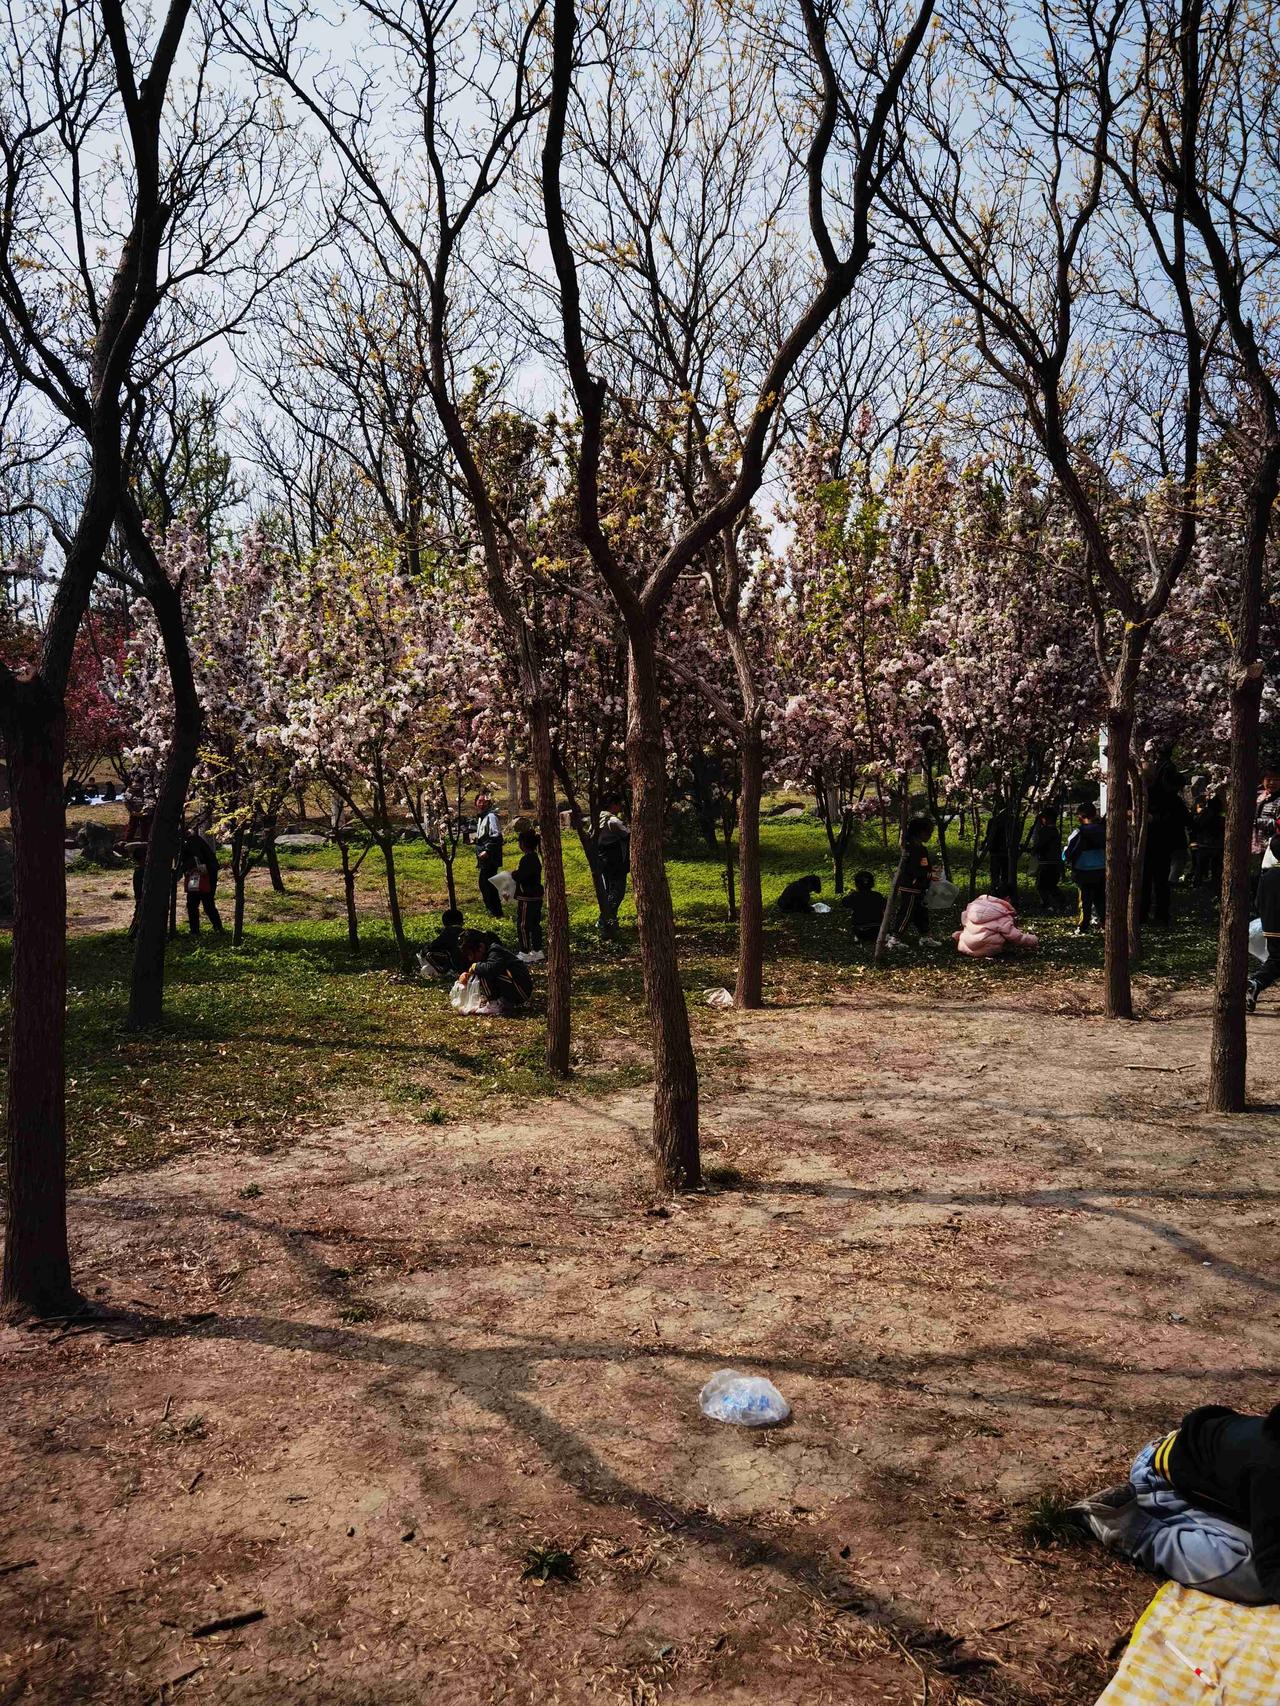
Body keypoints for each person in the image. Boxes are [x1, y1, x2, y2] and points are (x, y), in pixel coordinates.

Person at [1068, 1403, 1280, 1605]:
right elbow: (1271, 1568)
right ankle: (1131, 1529)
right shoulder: (1271, 1468)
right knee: (1252, 1577)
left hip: (1195, 1470)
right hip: (1159, 1481)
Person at [1141, 754, 1188, 925]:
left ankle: (1160, 915)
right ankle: (1144, 913)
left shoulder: (1166, 795)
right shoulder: (1135, 792)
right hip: (1145, 843)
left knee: (1159, 881)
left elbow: (1177, 818)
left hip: (1160, 843)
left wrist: (1153, 818)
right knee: (1145, 881)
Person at [457, 928, 533, 1015]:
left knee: (483, 970)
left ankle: (494, 1005)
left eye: (471, 955)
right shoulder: (488, 954)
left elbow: (491, 969)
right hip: (516, 986)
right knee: (481, 968)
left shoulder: (495, 951)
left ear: (481, 947)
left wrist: (475, 967)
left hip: (520, 989)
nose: (470, 959)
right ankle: (500, 1002)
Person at [1247, 825, 1280, 1014]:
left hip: (1270, 926)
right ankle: (1256, 982)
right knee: (1277, 960)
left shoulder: (1266, 877)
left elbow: (1258, 902)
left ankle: (1256, 983)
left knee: (1276, 958)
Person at [891, 816, 936, 944]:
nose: (930, 836)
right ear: (920, 832)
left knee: (921, 912)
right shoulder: (911, 848)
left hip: (919, 886)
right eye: (928, 832)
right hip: (911, 886)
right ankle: (895, 937)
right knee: (907, 912)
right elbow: (913, 869)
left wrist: (929, 872)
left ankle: (925, 936)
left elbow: (922, 866)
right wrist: (928, 875)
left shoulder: (920, 848)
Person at [1064, 804, 1106, 933]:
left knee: (1085, 900)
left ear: (1080, 817)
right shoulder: (1104, 830)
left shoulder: (1079, 832)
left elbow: (1069, 852)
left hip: (1083, 871)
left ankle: (1083, 925)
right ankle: (1105, 923)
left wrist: (1065, 855)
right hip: (1101, 869)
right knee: (1100, 899)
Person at [953, 895, 1038, 957]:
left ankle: (961, 937)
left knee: (974, 929)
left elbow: (966, 924)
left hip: (965, 946)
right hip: (986, 949)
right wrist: (1033, 940)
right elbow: (1015, 937)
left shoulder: (973, 908)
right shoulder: (1001, 914)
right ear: (1007, 898)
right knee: (1003, 933)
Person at [595, 799, 631, 938]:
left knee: (609, 891)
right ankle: (604, 920)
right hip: (615, 861)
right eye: (618, 804)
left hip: (602, 860)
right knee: (617, 892)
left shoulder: (597, 819)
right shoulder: (613, 821)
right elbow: (627, 834)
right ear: (613, 804)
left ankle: (611, 923)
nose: (620, 806)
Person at [179, 826, 224, 935]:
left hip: (206, 875)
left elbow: (195, 859)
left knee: (206, 903)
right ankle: (196, 930)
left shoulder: (191, 842)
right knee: (193, 903)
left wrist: (180, 871)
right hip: (197, 875)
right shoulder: (190, 841)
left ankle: (217, 928)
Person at [515, 827, 544, 963]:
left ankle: (525, 951)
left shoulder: (527, 859)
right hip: (536, 896)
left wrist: (513, 874)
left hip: (528, 896)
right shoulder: (535, 858)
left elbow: (522, 876)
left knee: (523, 925)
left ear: (523, 844)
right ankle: (537, 950)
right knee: (535, 924)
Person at [474, 792, 504, 919]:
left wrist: (487, 851)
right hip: (483, 858)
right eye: (479, 801)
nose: (482, 804)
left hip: (489, 858)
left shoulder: (491, 816)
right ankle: (494, 912)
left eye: (485, 802)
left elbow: (497, 837)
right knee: (485, 884)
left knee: (487, 885)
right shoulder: (481, 817)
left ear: (489, 803)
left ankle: (496, 912)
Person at [1027, 810, 1063, 911]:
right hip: (1055, 861)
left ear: (1047, 819)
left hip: (1046, 862)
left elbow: (1041, 845)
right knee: (1051, 885)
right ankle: (1059, 902)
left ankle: (1047, 904)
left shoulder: (1045, 831)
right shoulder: (1055, 831)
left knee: (1041, 885)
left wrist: (1033, 850)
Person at [1190, 788, 1225, 889]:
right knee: (1215, 869)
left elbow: (1196, 825)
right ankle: (1214, 886)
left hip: (1205, 845)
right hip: (1215, 845)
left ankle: (1198, 885)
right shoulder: (1221, 815)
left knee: (1200, 868)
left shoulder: (1204, 814)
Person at [422, 908, 471, 976]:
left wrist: (425, 950)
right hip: (471, 965)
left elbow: (433, 946)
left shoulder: (448, 933)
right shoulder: (467, 932)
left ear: (444, 923)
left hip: (457, 967)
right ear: (462, 922)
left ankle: (447, 972)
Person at [840, 869, 885, 943]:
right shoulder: (878, 896)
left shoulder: (854, 896)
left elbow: (844, 903)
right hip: (878, 931)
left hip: (861, 931)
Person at [982, 804, 1014, 897]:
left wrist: (985, 844)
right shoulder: (1011, 821)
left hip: (997, 852)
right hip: (1003, 852)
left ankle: (997, 891)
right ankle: (1001, 892)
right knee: (1003, 874)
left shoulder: (994, 821)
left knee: (997, 874)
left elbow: (989, 835)